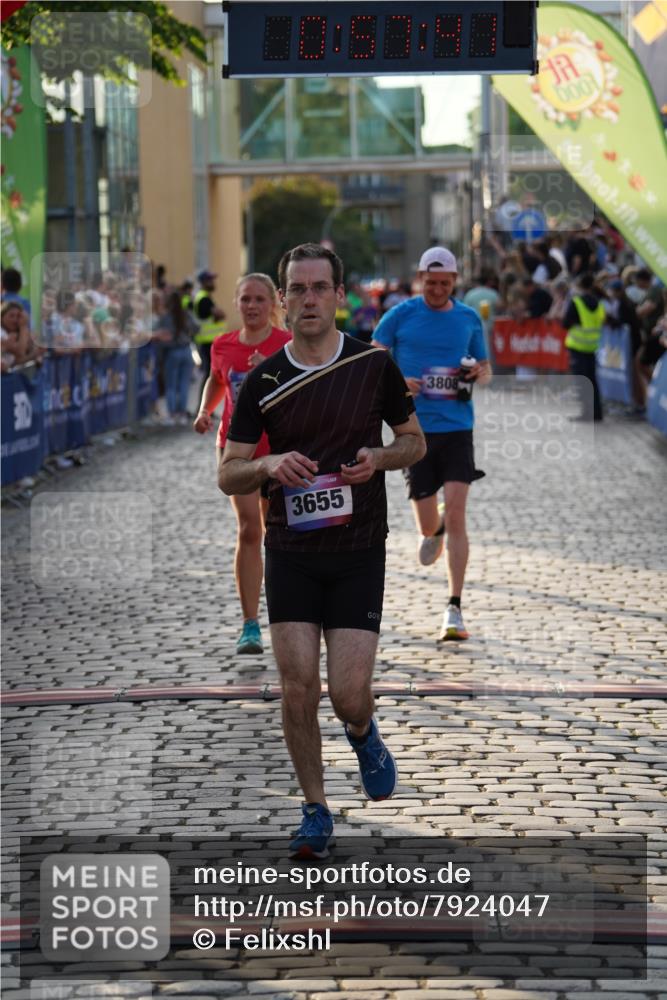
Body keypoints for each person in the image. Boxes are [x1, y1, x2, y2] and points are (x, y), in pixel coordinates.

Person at [218, 244, 425, 859]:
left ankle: (363, 732)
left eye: (319, 288)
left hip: (359, 549)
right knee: (298, 685)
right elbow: (228, 473)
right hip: (291, 551)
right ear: (284, 301)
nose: (308, 299)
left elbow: (413, 443)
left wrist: (379, 459)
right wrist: (268, 464)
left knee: (347, 695)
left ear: (340, 295)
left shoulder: (372, 366)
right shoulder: (264, 380)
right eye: (297, 289)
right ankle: (315, 807)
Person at [372, 246, 491, 643]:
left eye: (445, 283)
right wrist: (398, 382)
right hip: (414, 432)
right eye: (431, 282)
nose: (437, 289)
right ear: (420, 277)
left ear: (454, 282)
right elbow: (374, 358)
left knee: (458, 515)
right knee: (429, 532)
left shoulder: (469, 317)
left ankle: (454, 607)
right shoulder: (400, 315)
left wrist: (476, 372)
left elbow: (487, 370)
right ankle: (434, 524)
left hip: (458, 427)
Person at [195, 274, 291, 655]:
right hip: (237, 450)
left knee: (280, 535)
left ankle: (287, 617)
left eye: (259, 300)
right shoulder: (223, 345)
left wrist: (271, 368)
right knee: (250, 529)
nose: (252, 306)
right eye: (245, 299)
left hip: (281, 449)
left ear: (272, 305)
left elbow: (303, 389)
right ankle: (250, 624)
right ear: (236, 303)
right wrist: (206, 410)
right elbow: (217, 379)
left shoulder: (287, 345)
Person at [563, 272, 606, 421]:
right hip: (592, 347)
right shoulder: (599, 303)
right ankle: (597, 413)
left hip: (578, 347)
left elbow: (565, 323)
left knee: (582, 381)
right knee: (592, 380)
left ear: (580, 286)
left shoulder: (576, 302)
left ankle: (587, 413)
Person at [156, 291, 198, 424]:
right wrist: (188, 334)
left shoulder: (165, 317)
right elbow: (197, 328)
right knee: (184, 384)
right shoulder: (186, 314)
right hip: (186, 350)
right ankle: (182, 413)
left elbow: (161, 337)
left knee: (171, 385)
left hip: (172, 352)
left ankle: (172, 414)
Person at [193, 269, 226, 404]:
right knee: (209, 376)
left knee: (210, 375)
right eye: (210, 280)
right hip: (207, 343)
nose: (213, 282)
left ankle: (207, 406)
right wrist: (219, 314)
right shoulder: (204, 299)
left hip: (209, 342)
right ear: (203, 282)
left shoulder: (205, 297)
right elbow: (220, 315)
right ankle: (204, 406)